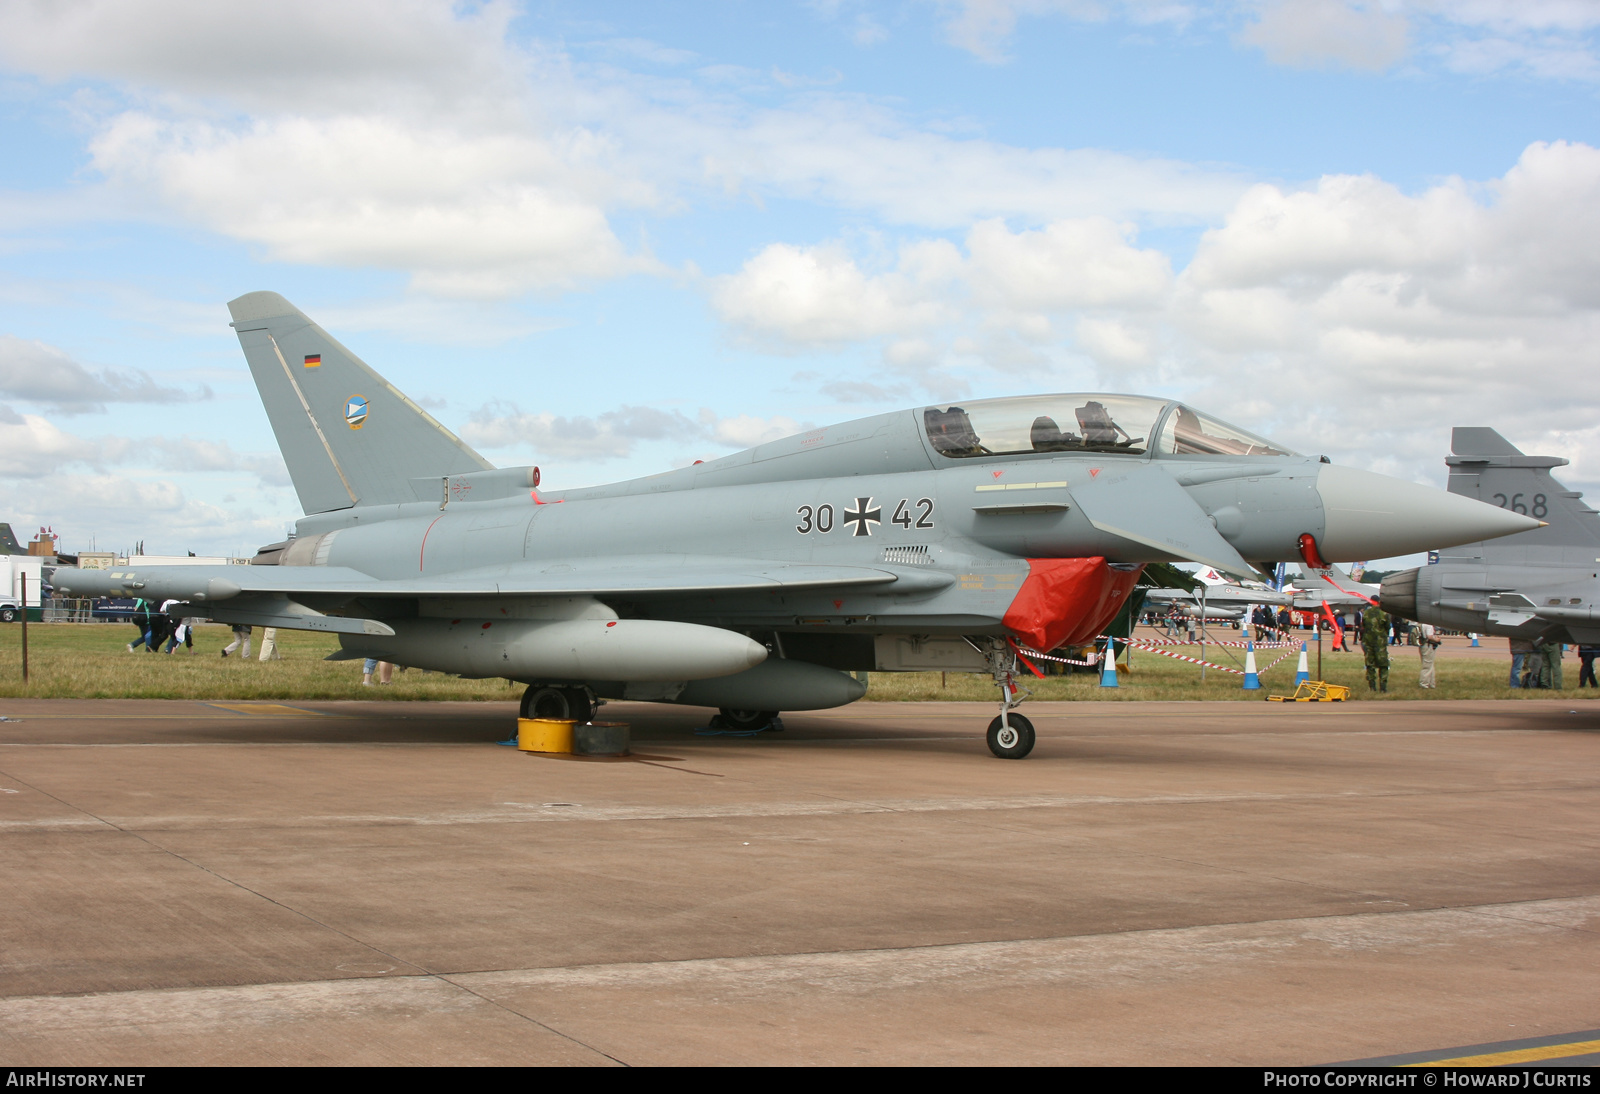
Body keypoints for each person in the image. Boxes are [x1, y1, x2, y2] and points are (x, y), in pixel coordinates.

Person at [1361, 602, 1391, 692]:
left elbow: (1364, 626)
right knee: (1383, 665)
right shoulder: (1384, 613)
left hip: (1368, 641)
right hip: (1380, 643)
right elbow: (1388, 627)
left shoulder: (1366, 613)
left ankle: (1372, 687)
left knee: (1370, 665)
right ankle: (1383, 687)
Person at [1417, 622, 1441, 688]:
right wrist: (1437, 639)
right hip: (1428, 645)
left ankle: (1431, 683)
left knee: (1429, 664)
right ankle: (1424, 683)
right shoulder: (1429, 625)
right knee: (1427, 665)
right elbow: (1429, 636)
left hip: (1422, 644)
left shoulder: (1420, 624)